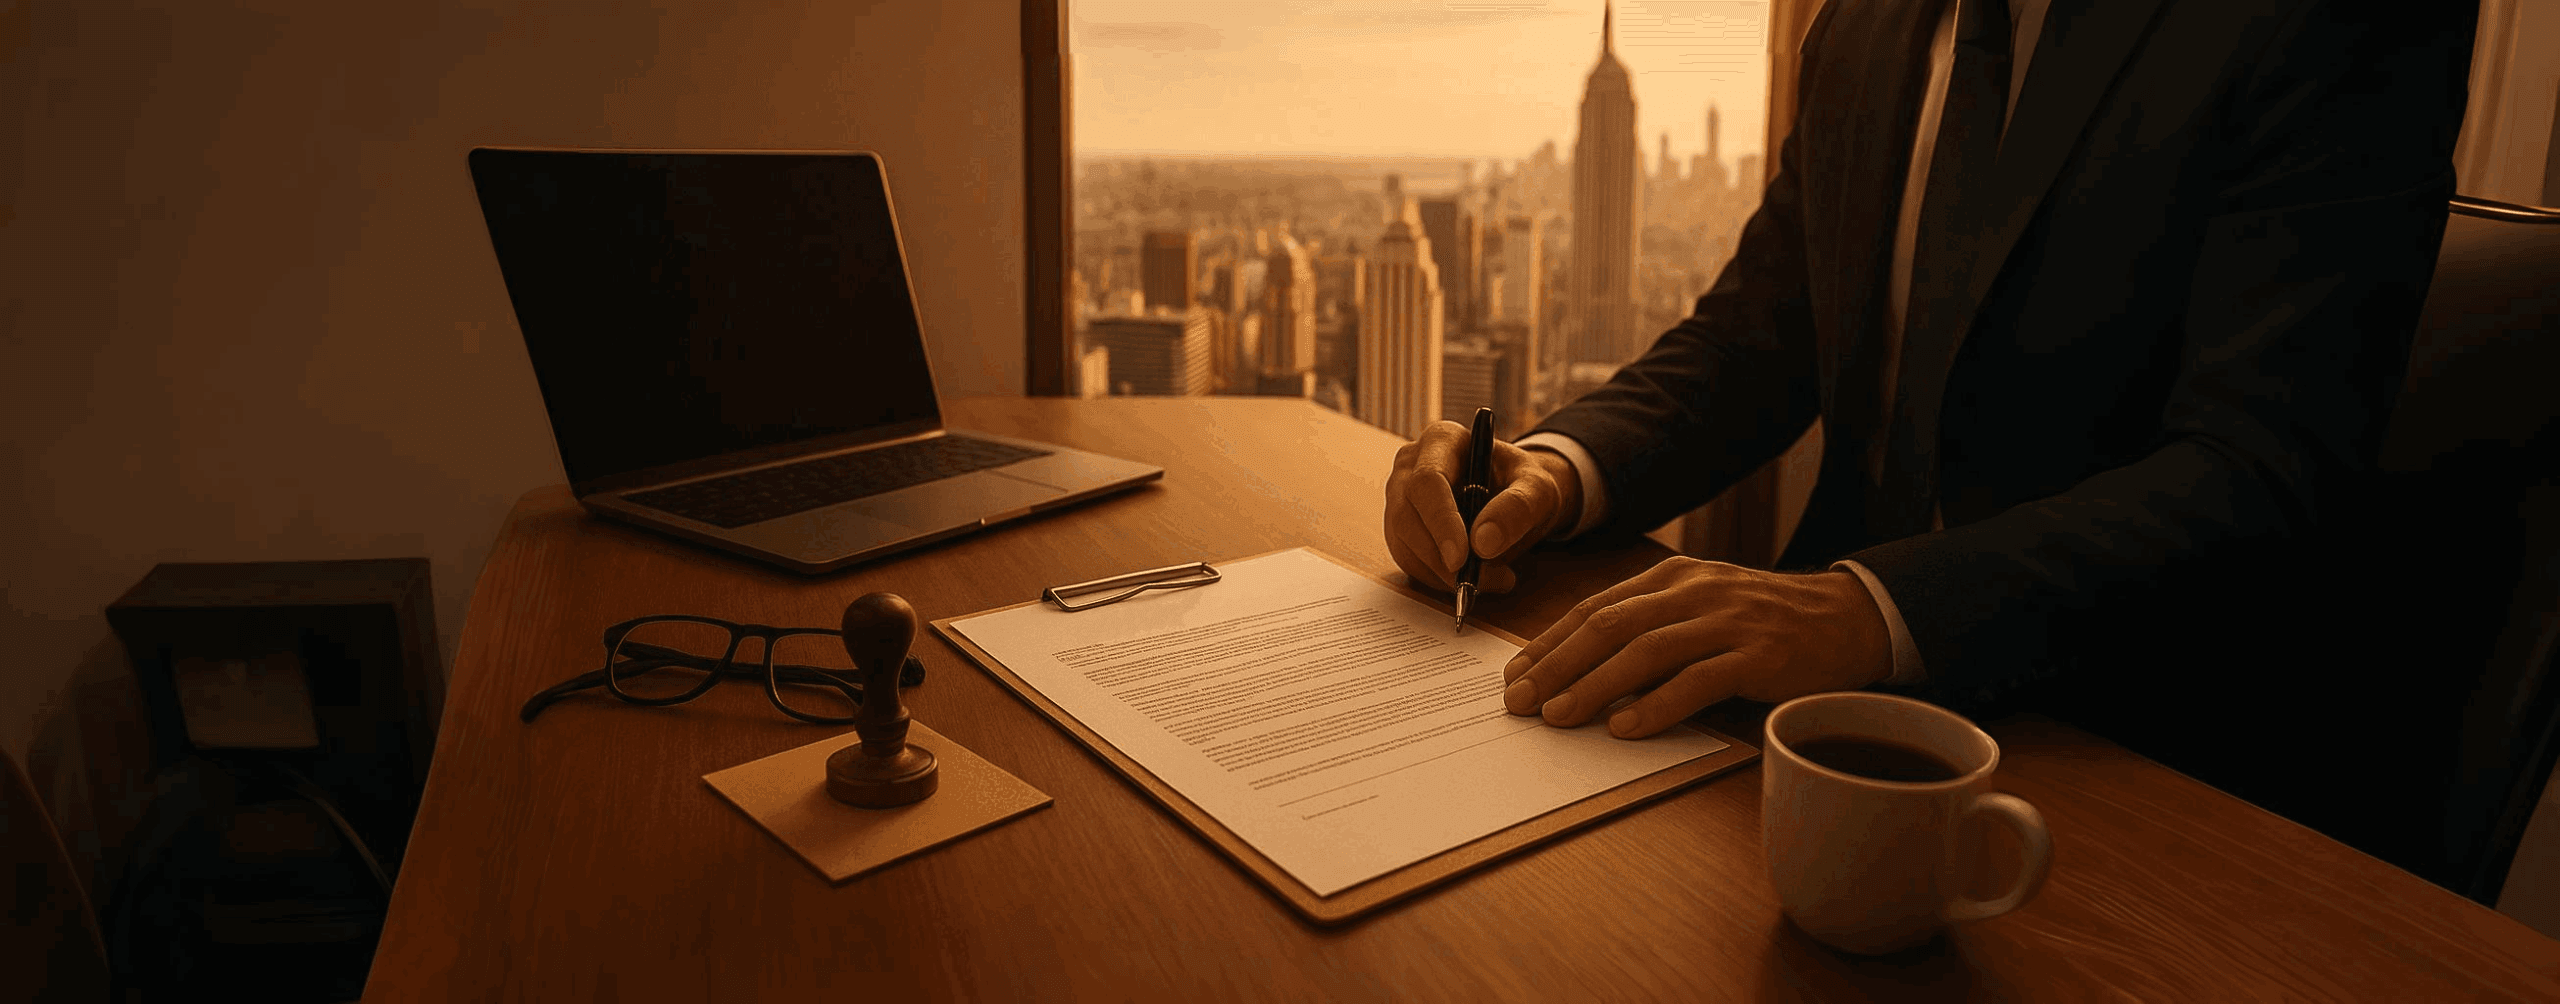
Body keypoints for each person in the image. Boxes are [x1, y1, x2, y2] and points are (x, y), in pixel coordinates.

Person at [1384, 0, 2479, 744]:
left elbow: (2262, 464)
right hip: (1796, 718)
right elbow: (1757, 337)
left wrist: (1870, 609)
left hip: (2130, 742)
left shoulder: (2329, 18)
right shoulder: (1861, 24)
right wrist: (1554, 468)